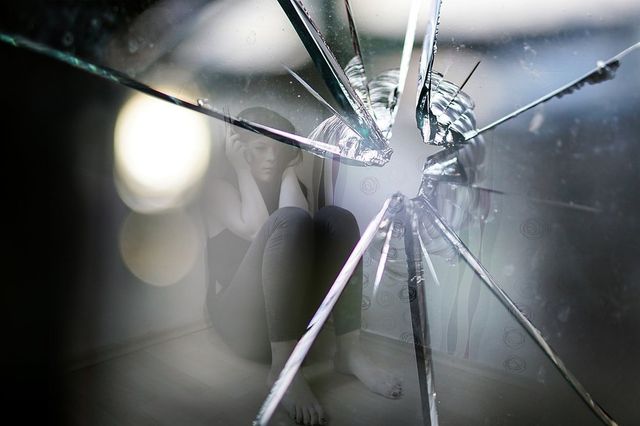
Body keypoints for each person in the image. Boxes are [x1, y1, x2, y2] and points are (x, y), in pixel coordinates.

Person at [204, 107, 402, 425]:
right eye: (260, 149)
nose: (271, 158)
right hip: (239, 325)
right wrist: (240, 169)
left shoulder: (290, 186)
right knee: (288, 219)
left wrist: (286, 174)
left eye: (279, 150)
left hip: (288, 328)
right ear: (239, 149)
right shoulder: (218, 188)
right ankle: (283, 369)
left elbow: (300, 227)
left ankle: (349, 353)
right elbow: (256, 227)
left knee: (338, 218)